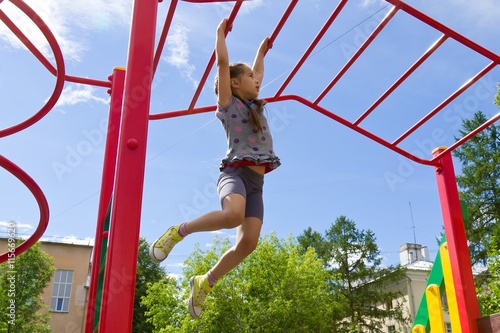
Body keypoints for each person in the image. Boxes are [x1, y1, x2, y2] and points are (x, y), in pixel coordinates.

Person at [149, 18, 280, 319]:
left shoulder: (254, 104)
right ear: (234, 83)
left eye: (254, 76)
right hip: (235, 173)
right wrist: (220, 34)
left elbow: (258, 71)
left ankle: (205, 282)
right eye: (248, 76)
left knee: (248, 243)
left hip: (257, 183)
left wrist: (262, 49)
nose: (256, 80)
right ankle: (178, 232)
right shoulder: (228, 104)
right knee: (232, 215)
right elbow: (223, 63)